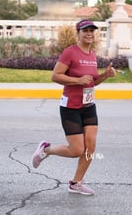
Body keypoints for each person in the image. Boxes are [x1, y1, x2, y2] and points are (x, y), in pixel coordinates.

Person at [31, 19, 116, 195]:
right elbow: (55, 76)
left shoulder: (92, 55)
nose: (89, 33)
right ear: (78, 33)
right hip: (70, 106)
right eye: (85, 30)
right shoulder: (70, 52)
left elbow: (91, 81)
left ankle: (76, 183)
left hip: (89, 105)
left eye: (92, 31)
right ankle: (45, 149)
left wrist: (105, 75)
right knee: (77, 150)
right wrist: (77, 80)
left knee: (90, 147)